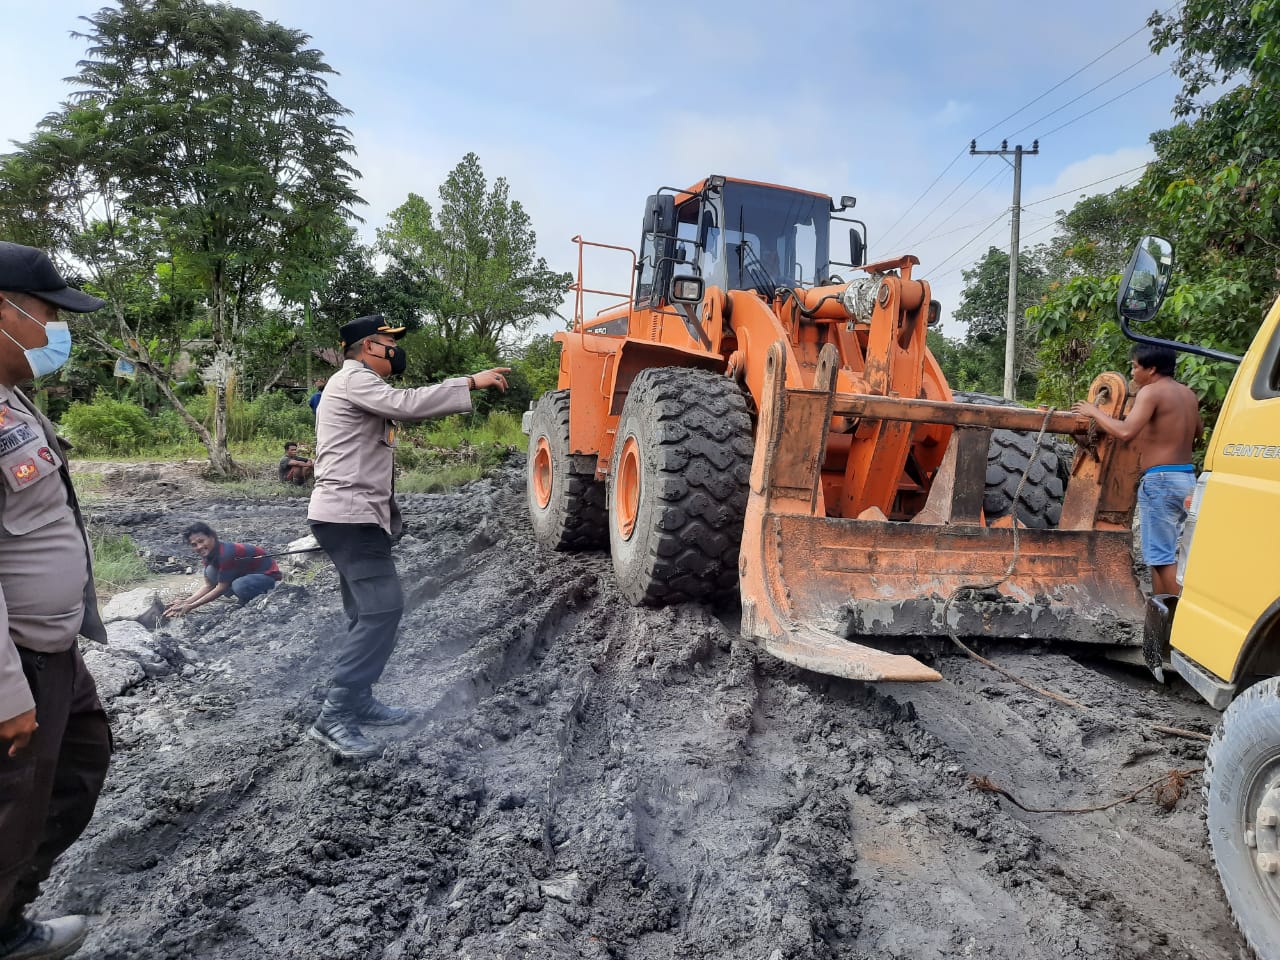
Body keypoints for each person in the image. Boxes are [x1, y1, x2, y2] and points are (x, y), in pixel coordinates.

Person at [306, 313, 509, 759]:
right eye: (386, 342)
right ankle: (334, 714)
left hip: (354, 516)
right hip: (348, 517)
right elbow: (409, 404)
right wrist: (469, 382)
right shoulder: (354, 379)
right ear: (365, 348)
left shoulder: (355, 383)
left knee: (366, 612)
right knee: (384, 608)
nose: (394, 350)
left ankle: (356, 700)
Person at [0, 241, 111, 960]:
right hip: (17, 666)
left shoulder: (12, 401)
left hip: (55, 651)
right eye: (46, 312)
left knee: (78, 767)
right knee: (10, 813)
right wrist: (6, 691)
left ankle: (8, 921)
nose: (55, 330)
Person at [1073, 343, 1203, 597]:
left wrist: (1093, 412)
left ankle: (1182, 617)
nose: (1132, 373)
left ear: (1152, 369)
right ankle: (1158, 615)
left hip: (1161, 481)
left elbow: (1124, 431)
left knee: (1162, 557)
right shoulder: (1188, 394)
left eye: (1135, 367)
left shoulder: (1151, 392)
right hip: (1186, 478)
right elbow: (1197, 432)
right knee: (1162, 553)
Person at [163, 522, 282, 617]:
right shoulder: (208, 554)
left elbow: (221, 588)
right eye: (194, 545)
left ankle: (256, 597)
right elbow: (209, 585)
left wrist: (191, 607)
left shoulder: (226, 554)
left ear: (212, 537)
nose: (199, 547)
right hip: (247, 573)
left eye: (201, 541)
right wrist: (186, 602)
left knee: (238, 585)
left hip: (268, 576)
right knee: (210, 572)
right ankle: (244, 595)